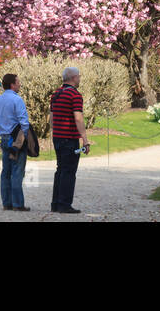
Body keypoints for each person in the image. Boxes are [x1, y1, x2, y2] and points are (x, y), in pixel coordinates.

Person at [50, 66, 91, 214]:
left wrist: (55, 132)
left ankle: (55, 203)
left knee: (60, 170)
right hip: (69, 138)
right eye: (78, 76)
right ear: (73, 78)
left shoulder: (56, 94)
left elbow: (52, 117)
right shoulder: (75, 95)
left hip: (58, 137)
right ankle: (64, 204)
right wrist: (85, 140)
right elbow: (78, 118)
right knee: (69, 171)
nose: (80, 78)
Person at [0, 72, 30, 211]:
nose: (19, 84)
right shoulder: (17, 100)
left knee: (6, 172)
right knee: (17, 171)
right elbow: (24, 122)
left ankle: (7, 202)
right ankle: (18, 204)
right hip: (16, 138)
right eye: (18, 82)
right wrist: (23, 137)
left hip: (4, 138)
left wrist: (1, 133)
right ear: (12, 84)